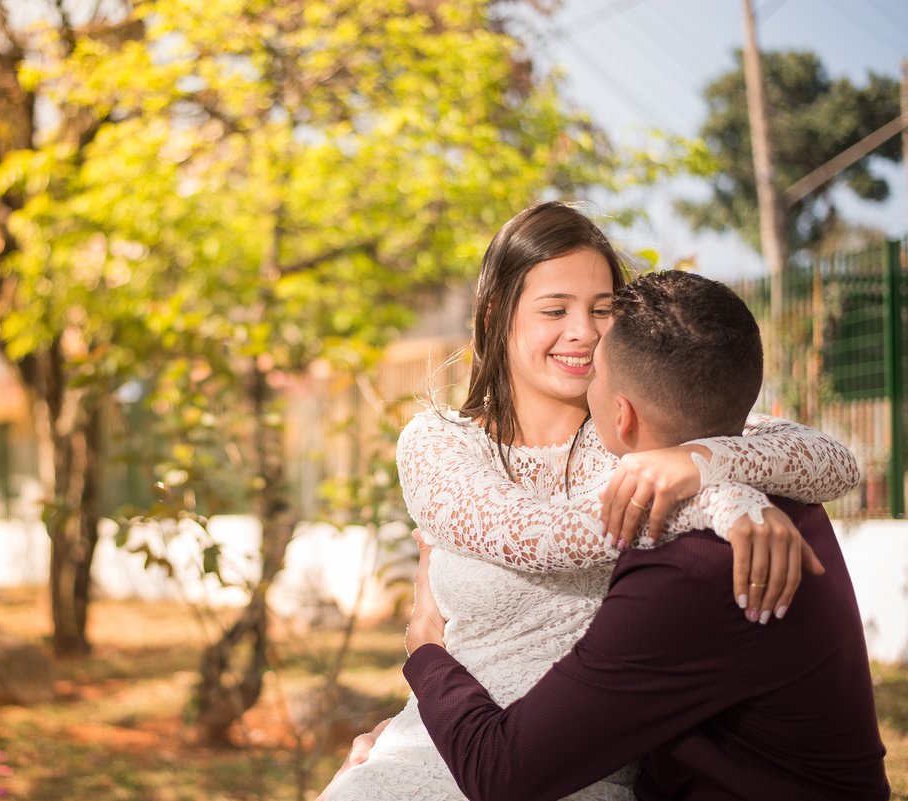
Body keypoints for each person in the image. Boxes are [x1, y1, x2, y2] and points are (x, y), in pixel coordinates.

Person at [316, 201, 861, 801]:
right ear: (498, 315)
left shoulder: (644, 429)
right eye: (555, 309)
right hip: (433, 747)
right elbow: (533, 534)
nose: (584, 331)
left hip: (565, 769)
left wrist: (702, 463)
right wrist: (715, 501)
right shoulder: (439, 441)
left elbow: (831, 460)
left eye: (602, 310)